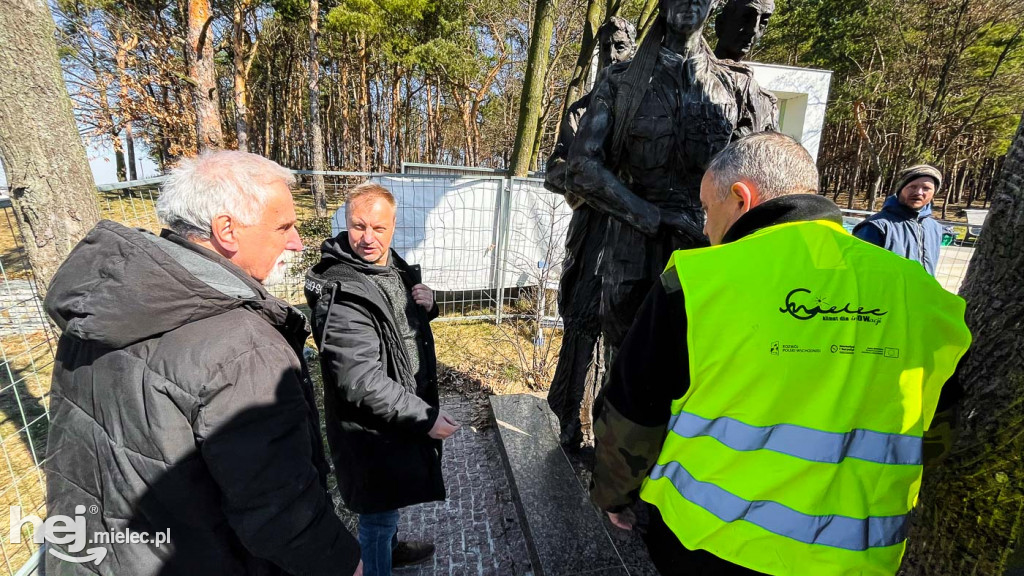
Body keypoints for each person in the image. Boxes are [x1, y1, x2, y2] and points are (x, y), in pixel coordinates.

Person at [590, 133, 971, 576]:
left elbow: (635, 410)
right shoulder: (925, 296)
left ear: (740, 198)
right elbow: (938, 431)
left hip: (708, 544)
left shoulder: (699, 281)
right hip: (857, 560)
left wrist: (614, 495)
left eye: (708, 209)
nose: (706, 226)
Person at [43, 151, 362, 575]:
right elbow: (278, 508)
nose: (297, 241)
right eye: (283, 226)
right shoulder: (242, 347)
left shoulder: (103, 308)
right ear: (226, 229)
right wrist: (341, 562)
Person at [566, 0, 777, 363]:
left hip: (707, 250)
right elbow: (581, 167)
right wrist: (654, 216)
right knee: (627, 369)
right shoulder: (620, 82)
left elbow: (766, 177)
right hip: (631, 253)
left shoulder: (738, 87)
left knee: (695, 363)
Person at [304, 182, 460, 576]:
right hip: (370, 424)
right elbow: (359, 378)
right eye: (358, 226)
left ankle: (390, 550)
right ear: (345, 222)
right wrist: (424, 417)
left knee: (389, 497)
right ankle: (379, 560)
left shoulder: (395, 268)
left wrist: (427, 304)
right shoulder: (343, 288)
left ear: (394, 228)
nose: (368, 238)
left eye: (379, 228)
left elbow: (397, 328)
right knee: (377, 513)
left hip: (395, 412)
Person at [544, 15, 637, 449]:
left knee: (623, 335)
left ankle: (609, 433)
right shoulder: (579, 112)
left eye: (620, 47)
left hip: (631, 239)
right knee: (580, 324)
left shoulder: (644, 112)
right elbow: (554, 172)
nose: (612, 55)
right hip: (589, 236)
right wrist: (584, 184)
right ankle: (568, 421)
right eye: (606, 48)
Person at [853, 164, 944, 276]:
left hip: (921, 293)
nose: (919, 192)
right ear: (901, 189)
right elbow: (858, 271)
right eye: (912, 186)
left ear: (934, 193)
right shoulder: (876, 226)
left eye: (926, 188)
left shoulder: (934, 228)